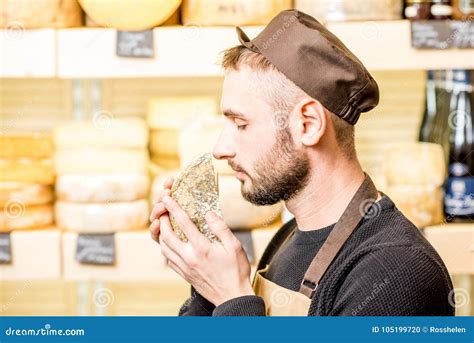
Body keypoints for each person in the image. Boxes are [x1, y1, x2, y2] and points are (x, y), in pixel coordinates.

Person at [149, 10, 455, 316]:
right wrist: (207, 282)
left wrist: (233, 299)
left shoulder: (398, 274)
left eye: (241, 124)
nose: (220, 149)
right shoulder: (288, 237)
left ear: (307, 124)